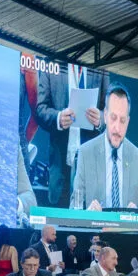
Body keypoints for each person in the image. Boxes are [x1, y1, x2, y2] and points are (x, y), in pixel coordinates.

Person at [35, 63, 110, 206]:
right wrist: (58, 118)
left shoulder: (100, 67)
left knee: (88, 220)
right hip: (60, 161)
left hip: (91, 164)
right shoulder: (52, 64)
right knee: (59, 219)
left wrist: (100, 118)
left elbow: (109, 110)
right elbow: (40, 109)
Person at [70, 84, 138, 211]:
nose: (117, 128)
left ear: (128, 122)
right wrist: (87, 215)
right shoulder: (85, 153)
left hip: (126, 231)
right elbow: (74, 208)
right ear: (105, 116)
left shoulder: (136, 156)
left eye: (122, 121)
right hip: (96, 230)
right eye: (113, 118)